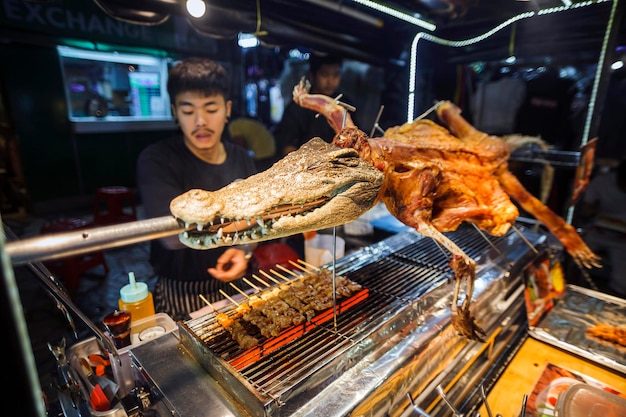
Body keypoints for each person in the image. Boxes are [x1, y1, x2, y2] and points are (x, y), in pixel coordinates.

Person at [136, 57, 258, 321]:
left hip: (241, 282)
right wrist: (243, 225)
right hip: (184, 291)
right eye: (189, 111)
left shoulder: (242, 157)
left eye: (211, 109)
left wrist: (246, 250)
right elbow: (172, 236)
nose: (200, 121)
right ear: (175, 112)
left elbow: (262, 216)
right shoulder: (157, 159)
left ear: (227, 110)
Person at [274, 52, 356, 156]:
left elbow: (355, 139)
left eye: (335, 75)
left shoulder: (345, 104)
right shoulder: (297, 108)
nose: (330, 81)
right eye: (324, 74)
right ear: (312, 75)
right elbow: (288, 147)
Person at [579, 159, 626, 297]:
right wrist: (590, 210)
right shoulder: (602, 182)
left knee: (621, 280)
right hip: (598, 230)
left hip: (622, 240)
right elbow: (585, 209)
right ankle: (574, 285)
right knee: (578, 256)